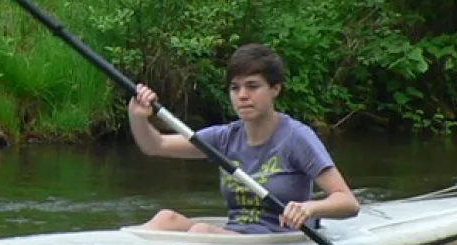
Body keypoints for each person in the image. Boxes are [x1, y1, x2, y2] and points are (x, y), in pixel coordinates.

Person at [127, 43, 359, 234]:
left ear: (275, 89)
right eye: (235, 88)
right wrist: (137, 116)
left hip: (280, 240)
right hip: (236, 237)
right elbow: (154, 145)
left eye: (252, 86)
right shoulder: (224, 138)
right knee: (165, 219)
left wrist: (309, 208)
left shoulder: (297, 138)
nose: (243, 96)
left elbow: (348, 202)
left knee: (201, 232)